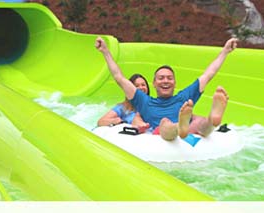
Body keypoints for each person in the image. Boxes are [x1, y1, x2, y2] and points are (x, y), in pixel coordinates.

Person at [95, 37, 237, 141]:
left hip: (188, 131)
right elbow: (119, 77)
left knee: (201, 123)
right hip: (163, 134)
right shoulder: (144, 100)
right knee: (165, 123)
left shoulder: (184, 96)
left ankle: (212, 119)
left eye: (169, 78)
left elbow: (208, 74)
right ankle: (179, 126)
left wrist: (225, 51)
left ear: (175, 83)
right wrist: (105, 51)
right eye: (161, 78)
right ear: (154, 84)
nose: (165, 81)